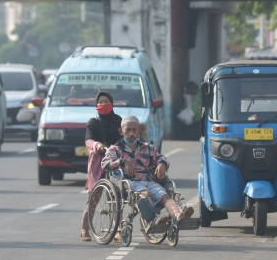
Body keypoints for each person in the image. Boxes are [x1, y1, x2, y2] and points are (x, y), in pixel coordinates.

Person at [102, 115, 194, 225]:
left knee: (164, 196)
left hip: (149, 181)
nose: (131, 133)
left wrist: (162, 164)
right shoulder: (115, 149)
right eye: (128, 130)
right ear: (121, 131)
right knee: (146, 194)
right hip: (131, 183)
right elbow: (104, 163)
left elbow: (161, 157)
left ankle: (177, 216)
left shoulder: (148, 148)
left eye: (134, 130)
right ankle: (154, 220)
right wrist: (123, 162)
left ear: (139, 131)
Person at [81, 91, 122, 242]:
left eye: (107, 101)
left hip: (115, 161)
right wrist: (97, 145)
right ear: (96, 106)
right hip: (98, 162)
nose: (103, 104)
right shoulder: (93, 123)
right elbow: (88, 141)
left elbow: (123, 137)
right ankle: (85, 228)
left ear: (112, 104)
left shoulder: (118, 121)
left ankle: (118, 229)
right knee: (94, 196)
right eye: (101, 101)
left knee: (118, 196)